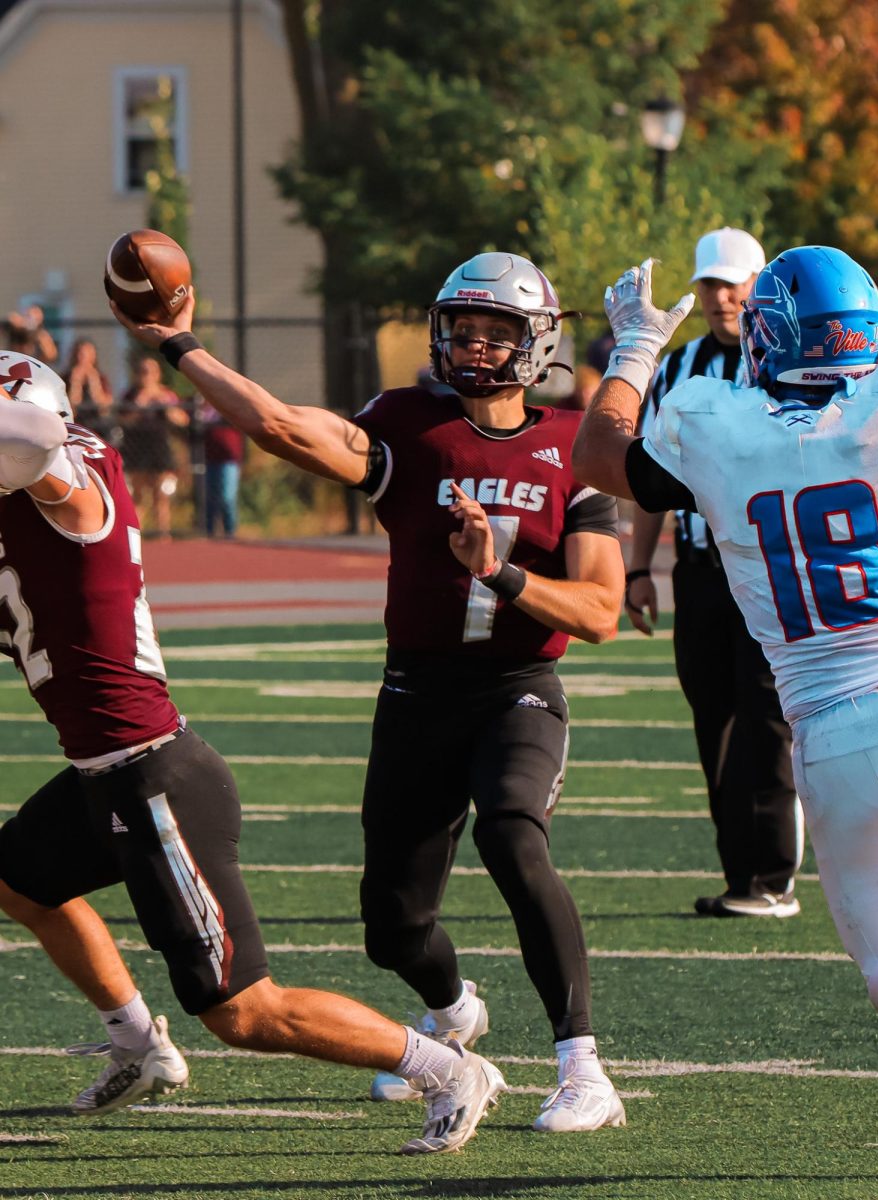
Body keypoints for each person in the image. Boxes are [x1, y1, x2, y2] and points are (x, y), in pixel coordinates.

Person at [111, 251, 628, 1133]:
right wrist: (179, 346)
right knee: (392, 927)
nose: (471, 345)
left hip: (516, 688)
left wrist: (499, 576)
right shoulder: (408, 424)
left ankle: (583, 1066)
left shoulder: (570, 447)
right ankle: (455, 1012)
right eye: (461, 327)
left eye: (494, 332)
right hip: (417, 692)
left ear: (536, 344)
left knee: (513, 834)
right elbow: (279, 425)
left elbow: (602, 610)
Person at [0, 352, 504, 1153]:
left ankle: (443, 1067)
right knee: (17, 880)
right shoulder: (45, 475)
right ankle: (137, 1043)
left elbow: (27, 431)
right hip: (106, 775)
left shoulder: (63, 482)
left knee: (240, 1011)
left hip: (153, 776)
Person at [571, 167, 878, 1061]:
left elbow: (598, 455)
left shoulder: (715, 425)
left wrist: (633, 346)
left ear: (767, 338)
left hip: (835, 722)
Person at [626, 228, 802, 918]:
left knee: (767, 717)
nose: (723, 297)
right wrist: (639, 567)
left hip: (763, 561)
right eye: (710, 285)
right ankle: (741, 874)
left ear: (761, 285)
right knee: (714, 716)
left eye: (735, 284)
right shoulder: (678, 366)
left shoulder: (786, 362)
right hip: (699, 568)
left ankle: (773, 878)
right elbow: (648, 472)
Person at [117, 356, 189, 538]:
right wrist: (139, 404)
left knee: (161, 494)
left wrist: (166, 406)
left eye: (150, 372)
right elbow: (123, 421)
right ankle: (135, 536)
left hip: (160, 446)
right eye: (142, 372)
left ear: (158, 374)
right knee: (138, 494)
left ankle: (163, 534)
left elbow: (182, 420)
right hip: (136, 446)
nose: (146, 376)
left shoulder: (165, 394)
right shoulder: (130, 395)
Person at [199, 399, 245, 537]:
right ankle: (209, 533)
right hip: (207, 458)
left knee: (226, 497)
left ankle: (229, 532)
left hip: (228, 459)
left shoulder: (229, 404)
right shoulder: (200, 406)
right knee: (209, 498)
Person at [65, 338, 117, 447]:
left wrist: (94, 382)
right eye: (80, 353)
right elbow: (70, 409)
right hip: (75, 423)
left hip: (96, 423)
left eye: (87, 354)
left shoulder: (101, 379)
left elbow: (104, 408)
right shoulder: (65, 378)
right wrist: (75, 382)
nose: (82, 358)